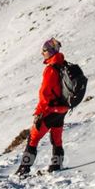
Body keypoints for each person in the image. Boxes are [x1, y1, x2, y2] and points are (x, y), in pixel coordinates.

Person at [17, 38, 69, 176]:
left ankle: (24, 169)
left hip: (50, 110)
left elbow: (44, 94)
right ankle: (56, 165)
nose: (42, 53)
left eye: (44, 50)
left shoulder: (51, 69)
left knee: (33, 138)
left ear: (51, 52)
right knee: (56, 139)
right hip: (62, 109)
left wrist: (39, 113)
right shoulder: (63, 64)